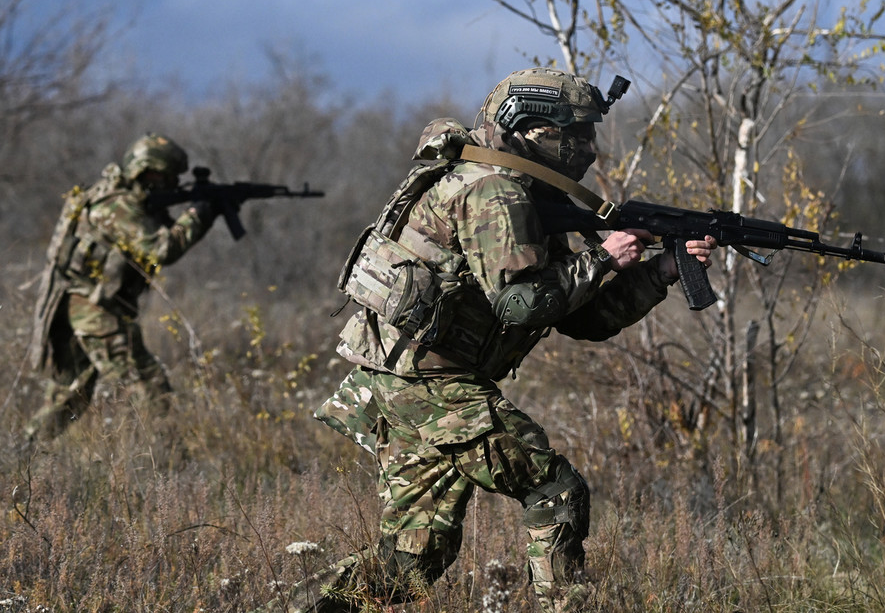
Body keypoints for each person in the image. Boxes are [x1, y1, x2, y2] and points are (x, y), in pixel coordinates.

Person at [267, 68, 716, 613]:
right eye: (574, 134)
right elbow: (521, 304)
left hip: (410, 379)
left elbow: (582, 319)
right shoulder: (493, 191)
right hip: (427, 381)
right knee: (554, 491)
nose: (588, 149)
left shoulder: (519, 191)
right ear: (530, 129)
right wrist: (602, 258)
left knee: (411, 563)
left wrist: (658, 271)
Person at [26, 132, 218, 444]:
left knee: (72, 393)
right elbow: (162, 249)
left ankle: (24, 452)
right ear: (147, 172)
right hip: (93, 307)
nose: (172, 182)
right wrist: (198, 215)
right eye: (166, 176)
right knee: (148, 385)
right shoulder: (117, 205)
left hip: (85, 305)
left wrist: (203, 210)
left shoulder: (129, 200)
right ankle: (169, 460)